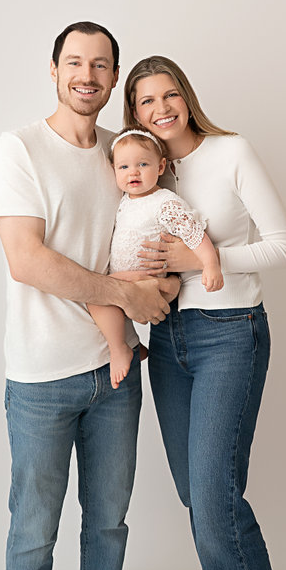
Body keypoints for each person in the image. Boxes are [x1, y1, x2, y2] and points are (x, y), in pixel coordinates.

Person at [0, 23, 178, 570]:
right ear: (54, 70)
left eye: (101, 64)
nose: (87, 74)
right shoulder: (19, 148)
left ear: (113, 75)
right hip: (39, 379)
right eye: (75, 62)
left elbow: (146, 228)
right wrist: (126, 295)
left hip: (115, 375)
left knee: (108, 522)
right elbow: (26, 261)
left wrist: (169, 274)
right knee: (34, 527)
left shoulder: (119, 154)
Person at [123, 55, 286, 570]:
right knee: (199, 494)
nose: (161, 108)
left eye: (170, 94)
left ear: (186, 97)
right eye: (146, 101)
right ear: (134, 114)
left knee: (218, 503)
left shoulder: (230, 153)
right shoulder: (140, 171)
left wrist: (198, 260)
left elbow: (285, 245)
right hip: (169, 340)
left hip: (232, 334)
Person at [88, 127, 222, 388]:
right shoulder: (125, 200)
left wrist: (211, 264)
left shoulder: (165, 202)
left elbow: (194, 233)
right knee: (101, 295)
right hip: (132, 279)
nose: (133, 172)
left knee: (97, 295)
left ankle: (120, 349)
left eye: (142, 164)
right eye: (124, 167)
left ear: (161, 167)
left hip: (149, 279)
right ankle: (132, 345)